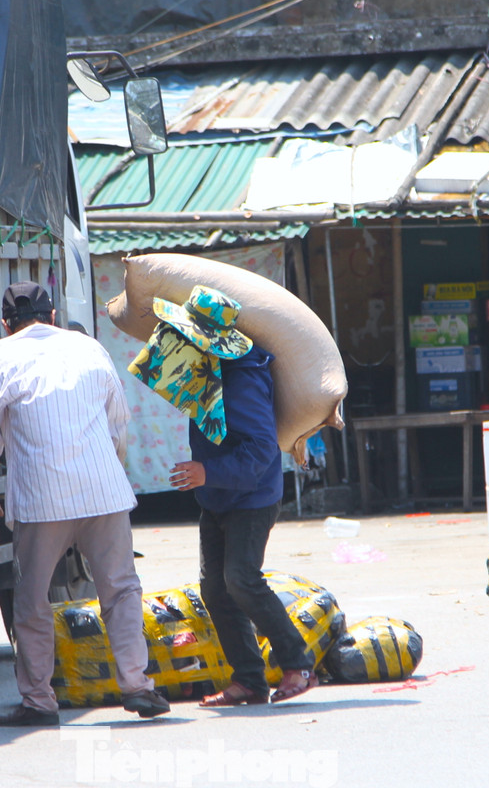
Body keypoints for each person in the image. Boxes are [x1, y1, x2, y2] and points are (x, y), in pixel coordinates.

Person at [0, 281, 170, 727]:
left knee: (33, 600)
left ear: (6, 324)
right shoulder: (89, 348)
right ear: (54, 316)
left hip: (42, 501)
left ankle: (39, 702)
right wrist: (109, 476)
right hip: (104, 492)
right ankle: (138, 687)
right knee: (120, 588)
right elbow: (119, 425)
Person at [140, 286, 315, 706]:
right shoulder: (207, 371)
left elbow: (260, 449)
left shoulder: (243, 381)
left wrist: (206, 471)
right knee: (215, 590)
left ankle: (298, 663)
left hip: (252, 496)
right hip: (218, 496)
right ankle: (250, 681)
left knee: (241, 579)